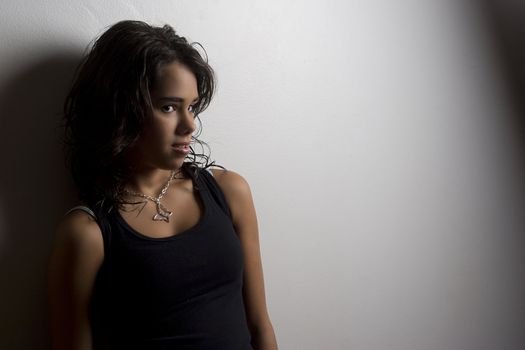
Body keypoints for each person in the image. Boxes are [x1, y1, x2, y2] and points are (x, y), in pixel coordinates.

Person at [47, 20, 278, 350]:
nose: (190, 125)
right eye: (169, 107)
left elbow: (260, 326)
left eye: (192, 107)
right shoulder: (87, 234)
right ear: (123, 108)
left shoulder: (229, 192)